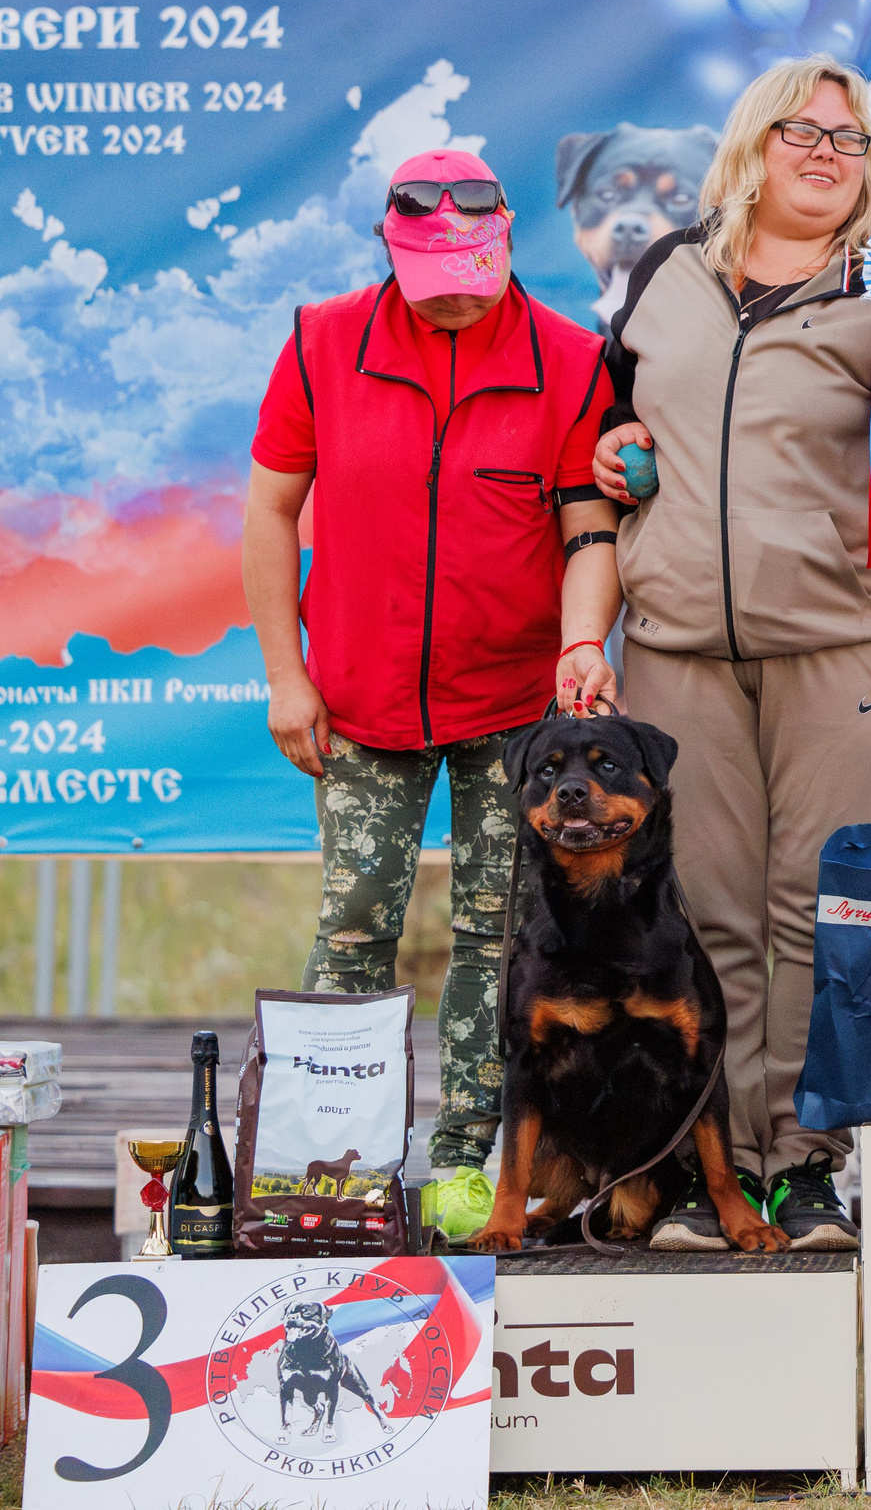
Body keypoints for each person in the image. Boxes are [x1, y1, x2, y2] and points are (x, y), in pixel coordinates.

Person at [589, 57, 871, 1247]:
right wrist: (617, 445)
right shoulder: (670, 268)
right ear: (752, 145)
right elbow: (616, 414)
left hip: (842, 644)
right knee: (704, 916)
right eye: (801, 131)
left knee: (815, 915)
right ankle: (703, 1168)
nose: (826, 152)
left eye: (850, 138)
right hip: (677, 650)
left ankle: (805, 1167)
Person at [244, 149, 620, 1227]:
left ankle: (463, 1160)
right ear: (388, 249)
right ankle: (329, 1164)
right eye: (431, 272)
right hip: (359, 702)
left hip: (513, 712)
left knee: (496, 930)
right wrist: (285, 674)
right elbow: (270, 511)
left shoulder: (568, 359)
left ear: (504, 239)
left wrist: (582, 640)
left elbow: (587, 526)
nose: (454, 291)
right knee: (354, 919)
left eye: (474, 267)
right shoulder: (323, 343)